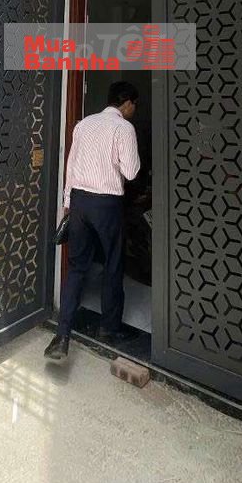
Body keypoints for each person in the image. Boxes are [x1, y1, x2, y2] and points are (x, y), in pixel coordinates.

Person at [44, 81, 141, 362]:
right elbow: (131, 172)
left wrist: (67, 202)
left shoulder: (84, 124)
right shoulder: (124, 128)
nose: (134, 110)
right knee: (113, 264)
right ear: (127, 104)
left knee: (76, 267)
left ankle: (62, 336)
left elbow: (71, 166)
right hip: (106, 203)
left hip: (79, 202)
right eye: (134, 105)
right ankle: (108, 329)